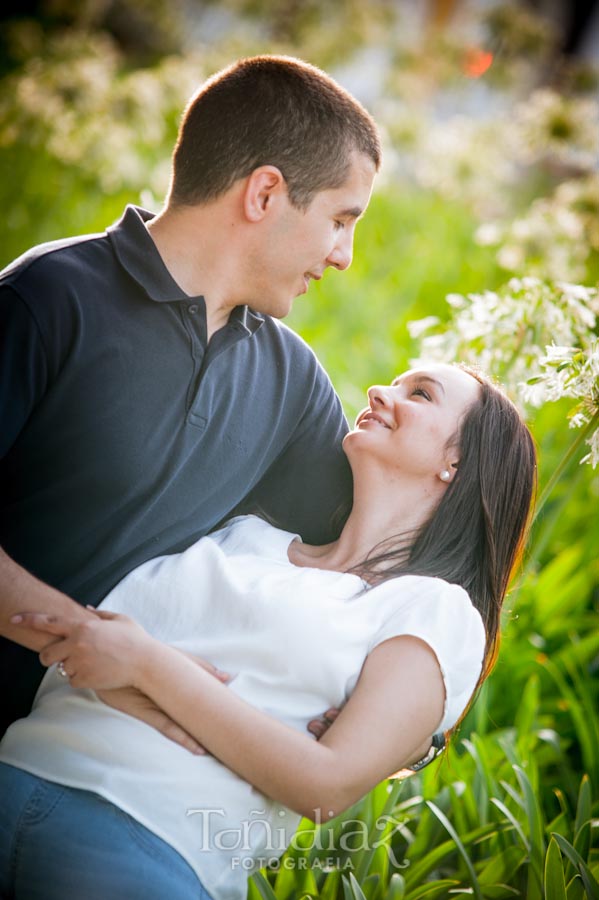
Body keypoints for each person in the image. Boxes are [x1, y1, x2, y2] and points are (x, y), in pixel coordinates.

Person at [0, 363, 537, 900]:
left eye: (418, 393)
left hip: (149, 847)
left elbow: (326, 787)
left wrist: (146, 663)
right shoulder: (243, 531)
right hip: (17, 766)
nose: (379, 390)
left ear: (456, 461)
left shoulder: (432, 609)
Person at [0, 54, 382, 737]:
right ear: (264, 193)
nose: (343, 256)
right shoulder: (48, 298)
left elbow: (367, 547)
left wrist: (393, 703)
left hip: (106, 771)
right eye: (339, 220)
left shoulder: (290, 380)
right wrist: (97, 651)